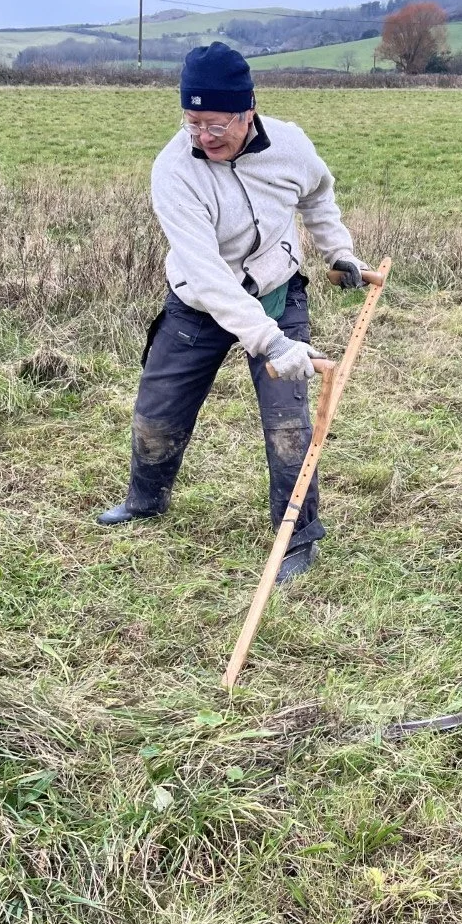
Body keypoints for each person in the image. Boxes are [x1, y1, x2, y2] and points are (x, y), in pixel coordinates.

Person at [98, 42, 368, 582]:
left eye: (216, 122)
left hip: (276, 289)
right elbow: (207, 274)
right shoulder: (174, 170)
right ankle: (145, 499)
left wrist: (337, 250)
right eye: (192, 121)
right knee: (160, 405)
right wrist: (268, 342)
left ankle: (296, 537)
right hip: (201, 303)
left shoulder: (290, 146)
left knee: (288, 420)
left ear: (248, 110)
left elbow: (318, 194)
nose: (203, 135)